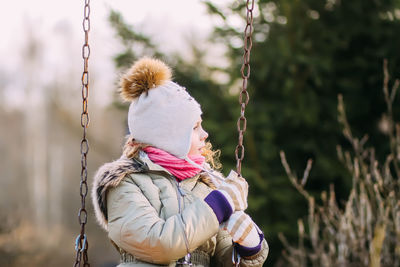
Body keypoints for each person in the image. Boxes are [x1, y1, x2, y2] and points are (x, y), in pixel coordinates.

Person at [92, 57, 269, 266]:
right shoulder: (125, 183)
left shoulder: (207, 185)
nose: (205, 134)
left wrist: (248, 247)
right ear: (169, 136)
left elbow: (223, 259)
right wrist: (218, 205)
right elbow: (159, 245)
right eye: (195, 128)